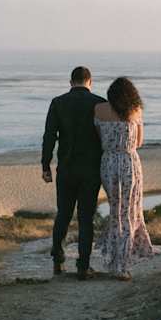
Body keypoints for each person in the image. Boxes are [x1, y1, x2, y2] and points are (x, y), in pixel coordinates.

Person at [41, 66, 105, 279]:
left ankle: (58, 262)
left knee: (63, 215)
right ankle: (83, 266)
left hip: (66, 168)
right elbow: (106, 138)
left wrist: (45, 166)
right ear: (90, 81)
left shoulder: (58, 102)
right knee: (86, 218)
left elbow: (49, 136)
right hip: (91, 169)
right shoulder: (100, 103)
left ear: (71, 82)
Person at [93, 76, 153, 280]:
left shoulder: (99, 110)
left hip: (108, 163)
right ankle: (122, 264)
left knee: (116, 210)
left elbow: (98, 138)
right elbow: (139, 142)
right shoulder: (136, 111)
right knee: (129, 211)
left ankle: (115, 260)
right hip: (129, 163)